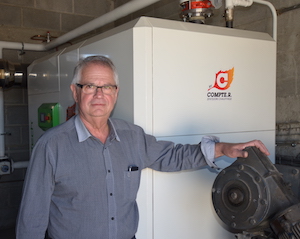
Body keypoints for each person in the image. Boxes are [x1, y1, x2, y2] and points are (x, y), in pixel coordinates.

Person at [16, 55, 270, 239]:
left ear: (116, 93)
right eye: (90, 86)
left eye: (107, 87)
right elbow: (32, 219)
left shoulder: (132, 136)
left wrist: (223, 148)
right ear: (75, 91)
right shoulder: (51, 146)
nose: (99, 95)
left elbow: (173, 156)